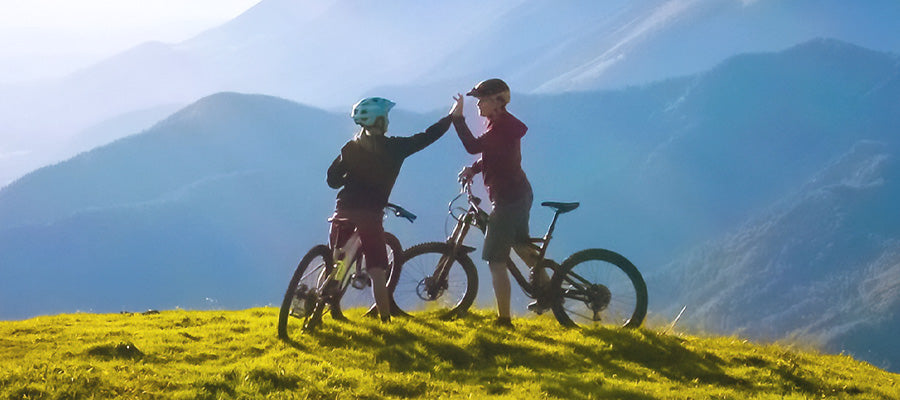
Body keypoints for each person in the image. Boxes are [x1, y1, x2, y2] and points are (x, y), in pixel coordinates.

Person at [327, 97, 452, 322]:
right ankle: (385, 321)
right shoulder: (395, 148)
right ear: (379, 121)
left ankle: (321, 305)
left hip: (343, 209)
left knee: (337, 261)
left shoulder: (350, 147)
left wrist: (350, 174)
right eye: (385, 117)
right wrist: (452, 117)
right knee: (377, 272)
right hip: (369, 215)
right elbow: (426, 137)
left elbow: (333, 181)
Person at [449, 78, 548, 328]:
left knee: (496, 259)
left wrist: (457, 119)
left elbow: (473, 146)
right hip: (517, 195)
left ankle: (504, 320)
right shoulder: (500, 125)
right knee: (522, 246)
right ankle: (549, 294)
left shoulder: (501, 127)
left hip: (508, 200)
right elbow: (496, 157)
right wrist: (474, 169)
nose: (478, 105)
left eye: (481, 99)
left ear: (497, 101)